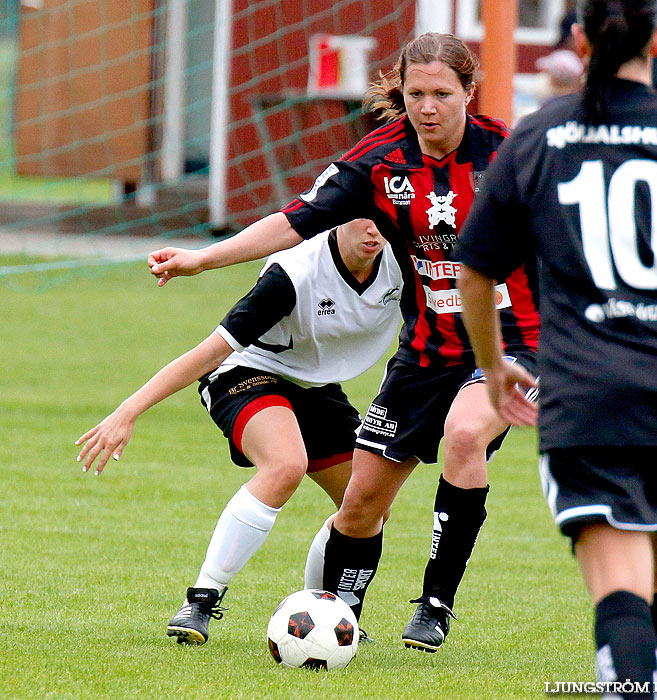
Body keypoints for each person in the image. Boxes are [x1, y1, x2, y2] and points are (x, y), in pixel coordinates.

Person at [147, 32, 539, 652]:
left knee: (466, 435)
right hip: (426, 352)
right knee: (359, 505)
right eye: (416, 94)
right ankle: (336, 619)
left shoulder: (515, 156)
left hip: (516, 341)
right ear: (401, 94)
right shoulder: (380, 160)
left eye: (442, 93)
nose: (428, 107)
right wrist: (202, 259)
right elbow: (290, 220)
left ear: (470, 90)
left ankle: (435, 606)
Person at [455, 1, 657, 698]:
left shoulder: (537, 135)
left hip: (588, 387)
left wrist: (490, 368)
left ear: (576, 39)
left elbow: (474, 270)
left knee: (618, 583)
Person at [76, 219, 402, 645]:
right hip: (246, 371)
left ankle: (332, 616)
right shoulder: (294, 273)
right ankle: (200, 601)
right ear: (334, 214)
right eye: (360, 216)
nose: (372, 230)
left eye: (381, 216)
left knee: (368, 502)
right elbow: (209, 352)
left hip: (316, 388)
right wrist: (129, 410)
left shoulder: (404, 264)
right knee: (285, 465)